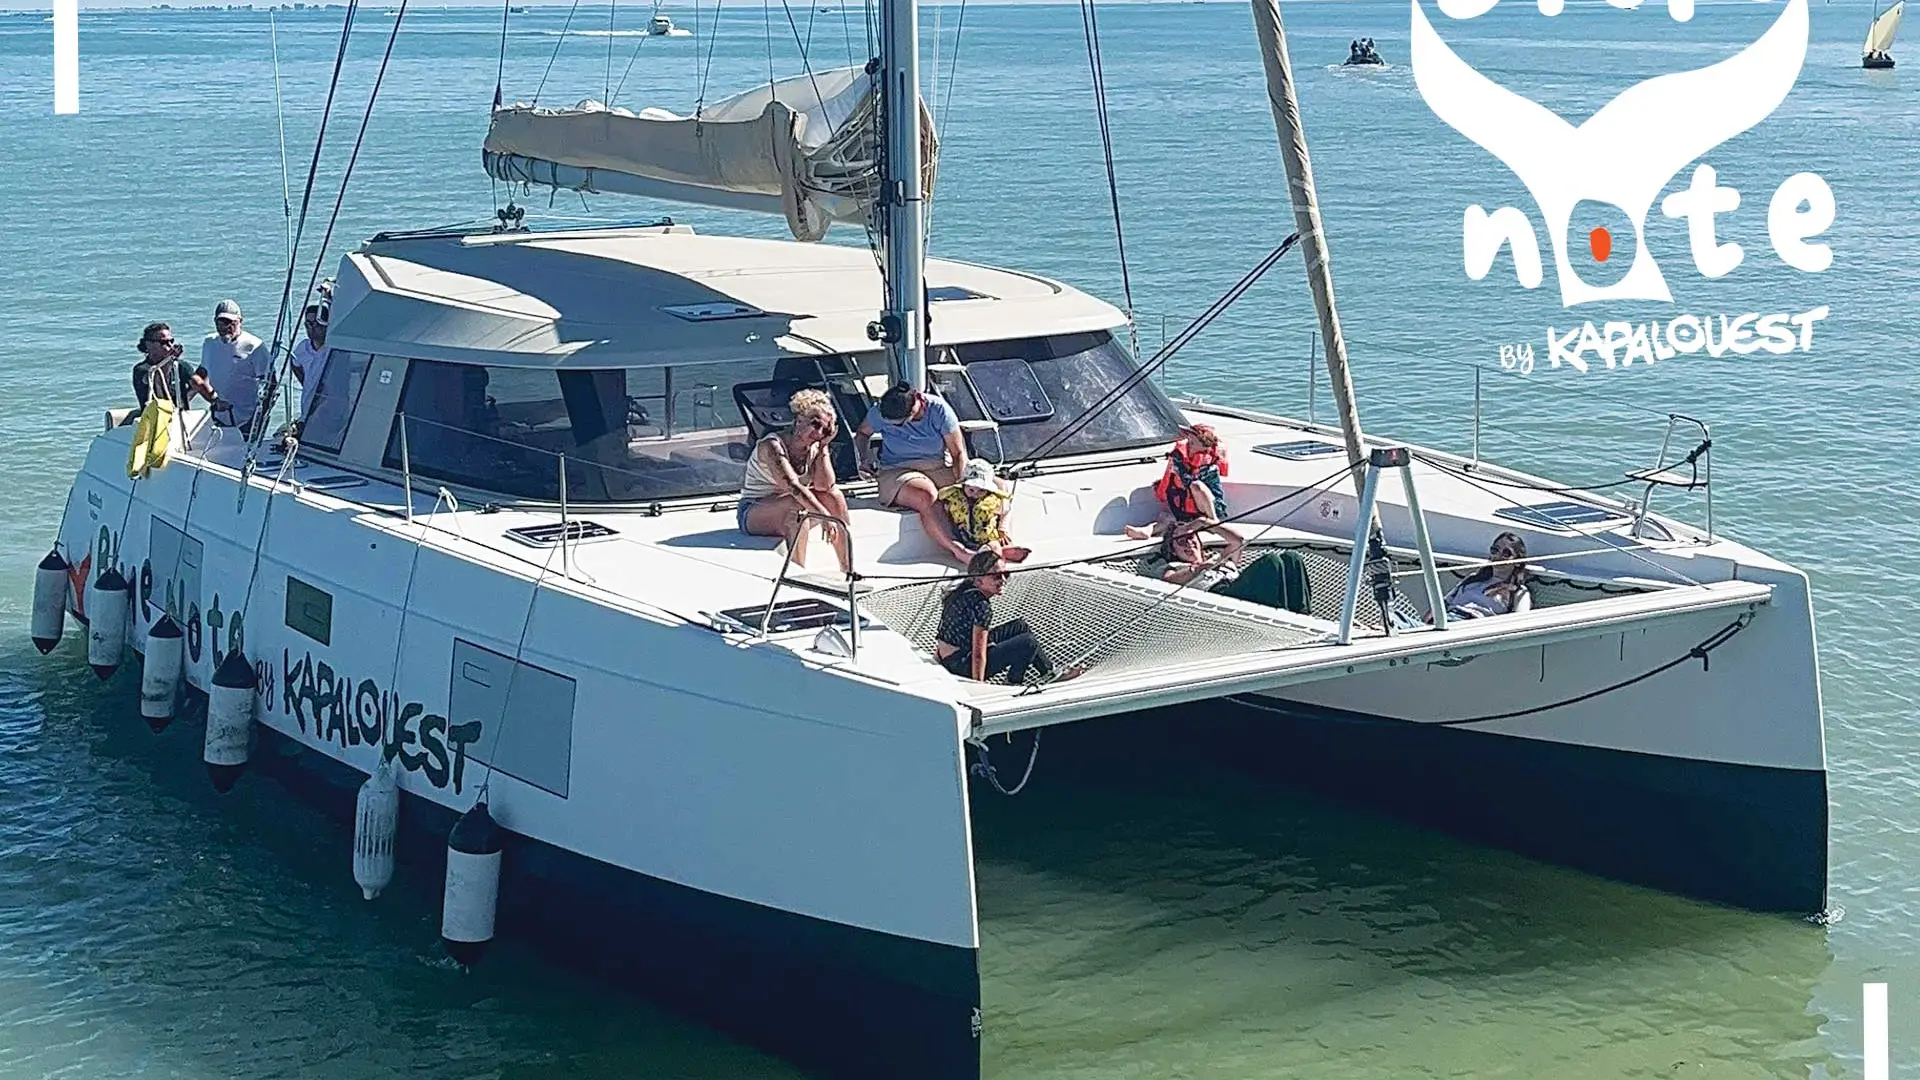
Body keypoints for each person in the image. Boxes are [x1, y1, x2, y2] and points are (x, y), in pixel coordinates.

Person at [738, 389, 855, 578]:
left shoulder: (815, 446)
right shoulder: (772, 445)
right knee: (797, 505)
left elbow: (825, 486)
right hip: (754, 510)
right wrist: (824, 515)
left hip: (791, 505)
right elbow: (793, 487)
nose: (819, 433)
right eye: (815, 424)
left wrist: (823, 447)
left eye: (825, 430)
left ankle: (848, 568)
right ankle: (797, 574)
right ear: (799, 420)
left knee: (834, 496)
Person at [857, 382, 972, 562]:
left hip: (936, 466)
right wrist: (864, 459)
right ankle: (958, 549)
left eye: (904, 420)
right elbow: (862, 434)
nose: (901, 426)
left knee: (992, 488)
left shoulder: (939, 410)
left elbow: (958, 454)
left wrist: (962, 484)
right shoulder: (879, 410)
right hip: (896, 469)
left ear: (918, 399)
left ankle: (997, 543)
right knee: (926, 494)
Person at [934, 550, 1082, 685]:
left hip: (949, 656)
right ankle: (1013, 682)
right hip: (961, 665)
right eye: (996, 576)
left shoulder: (963, 590)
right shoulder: (981, 606)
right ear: (979, 581)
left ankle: (1048, 672)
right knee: (1028, 643)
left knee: (1020, 626)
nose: (1003, 580)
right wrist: (978, 686)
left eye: (1006, 574)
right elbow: (978, 654)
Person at [1137, 521, 1313, 615]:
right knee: (1271, 562)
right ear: (1173, 550)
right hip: (1222, 599)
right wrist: (1198, 569)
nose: (1189, 544)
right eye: (1181, 541)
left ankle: (1302, 614)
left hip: (1240, 588)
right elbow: (1168, 580)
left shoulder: (1218, 558)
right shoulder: (1175, 566)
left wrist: (1203, 522)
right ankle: (1283, 615)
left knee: (1292, 558)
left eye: (1191, 538)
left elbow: (1238, 541)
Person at [1125, 423, 1229, 540]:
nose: (1189, 439)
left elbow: (1188, 481)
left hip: (1208, 510)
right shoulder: (1178, 456)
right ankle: (1147, 531)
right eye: (1189, 436)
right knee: (1166, 518)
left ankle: (1213, 521)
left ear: (1205, 446)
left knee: (1196, 485)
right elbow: (1181, 479)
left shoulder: (1211, 464)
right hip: (1185, 511)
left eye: (1194, 439)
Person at [199, 299, 273, 436]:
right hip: (219, 417)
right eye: (220, 322)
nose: (225, 327)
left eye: (230, 322)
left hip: (248, 419)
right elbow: (199, 377)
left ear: (240, 321)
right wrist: (212, 399)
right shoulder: (209, 343)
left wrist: (260, 417)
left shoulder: (255, 346)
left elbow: (271, 383)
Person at [935, 459, 1030, 564]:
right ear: (963, 486)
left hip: (987, 538)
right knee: (960, 548)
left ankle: (997, 556)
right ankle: (976, 558)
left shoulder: (993, 501)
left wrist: (1002, 528)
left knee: (994, 545)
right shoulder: (954, 498)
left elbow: (1006, 512)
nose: (975, 494)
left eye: (981, 491)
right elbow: (945, 510)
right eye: (971, 490)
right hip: (962, 536)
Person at [1439, 531, 1532, 619]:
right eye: (1495, 550)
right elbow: (1443, 603)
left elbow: (1519, 622)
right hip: (1448, 617)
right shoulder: (1472, 578)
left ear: (1518, 562)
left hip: (1472, 624)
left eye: (1506, 553)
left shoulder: (1518, 592)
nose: (1498, 556)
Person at [131, 321, 217, 412]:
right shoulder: (141, 369)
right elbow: (158, 384)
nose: (170, 345)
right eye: (164, 342)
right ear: (148, 344)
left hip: (179, 415)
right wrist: (169, 360)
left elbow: (198, 383)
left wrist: (215, 401)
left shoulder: (180, 366)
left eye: (171, 341)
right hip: (155, 416)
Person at [290, 300, 330, 427]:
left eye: (315, 324)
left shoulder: (332, 350)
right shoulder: (302, 348)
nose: (310, 328)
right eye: (307, 324)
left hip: (330, 408)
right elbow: (295, 364)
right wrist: (306, 383)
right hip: (307, 408)